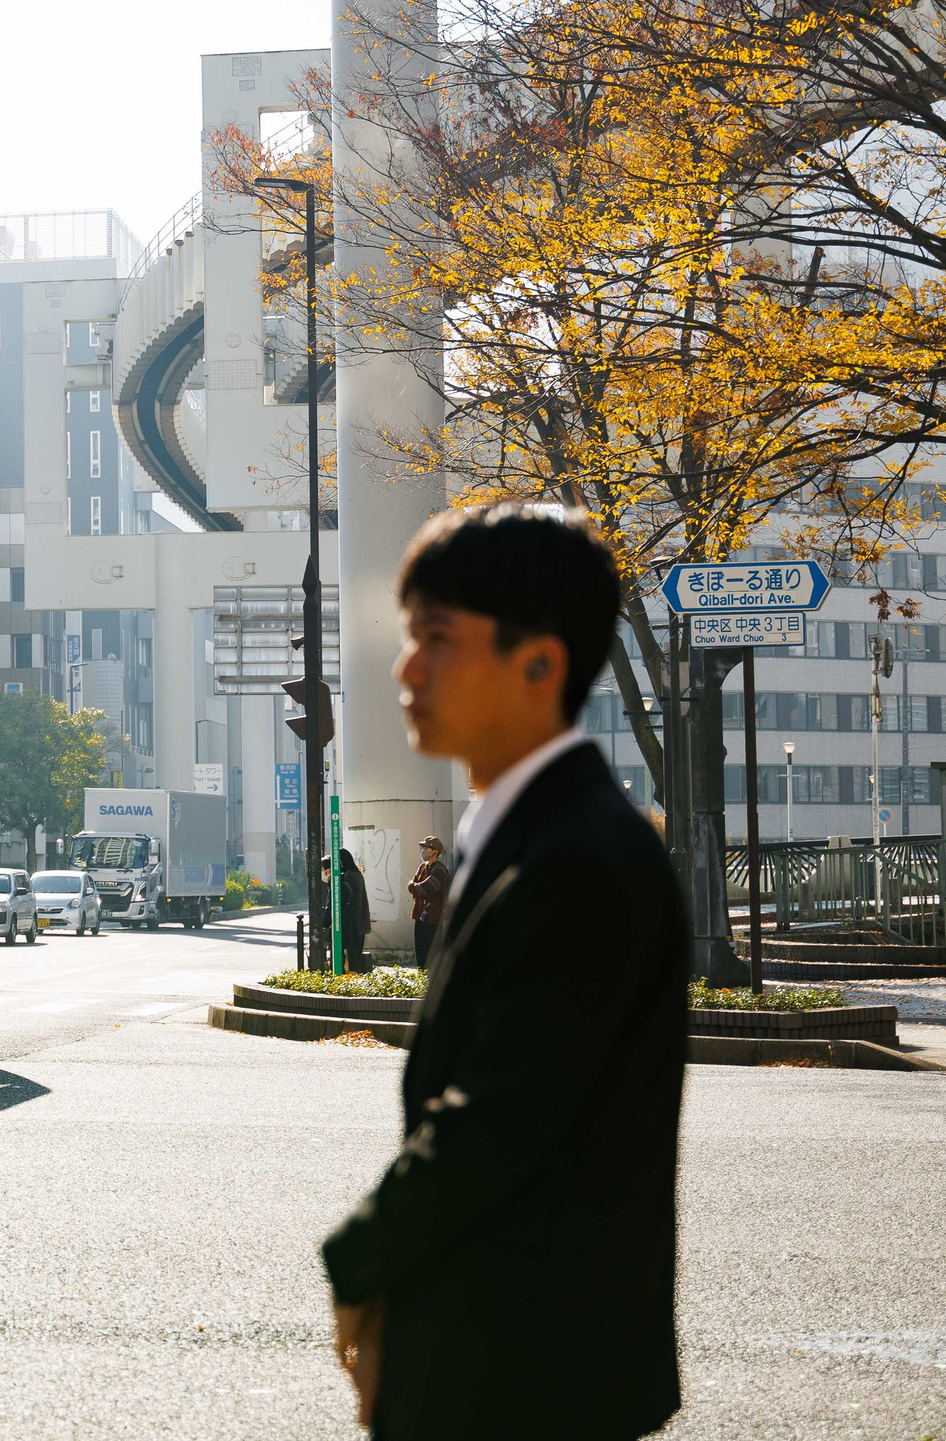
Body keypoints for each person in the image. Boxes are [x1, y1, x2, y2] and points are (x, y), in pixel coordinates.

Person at [322, 502, 689, 1440]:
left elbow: (497, 1115)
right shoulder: (530, 836)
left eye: (437, 639)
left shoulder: (578, 861)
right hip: (510, 1356)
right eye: (409, 637)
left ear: (540, 664)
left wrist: (359, 1263)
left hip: (528, 1374)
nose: (405, 669)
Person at [407, 835, 447, 968]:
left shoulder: (440, 870)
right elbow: (411, 885)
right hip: (419, 915)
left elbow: (424, 887)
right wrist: (414, 886)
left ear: (435, 851)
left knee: (432, 955)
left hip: (433, 918)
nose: (423, 850)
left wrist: (414, 886)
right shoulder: (422, 867)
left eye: (426, 848)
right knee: (421, 952)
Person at [334, 847, 371, 974]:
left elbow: (349, 902)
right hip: (360, 921)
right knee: (356, 955)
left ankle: (350, 978)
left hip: (352, 923)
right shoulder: (357, 874)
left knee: (349, 957)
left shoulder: (347, 877)